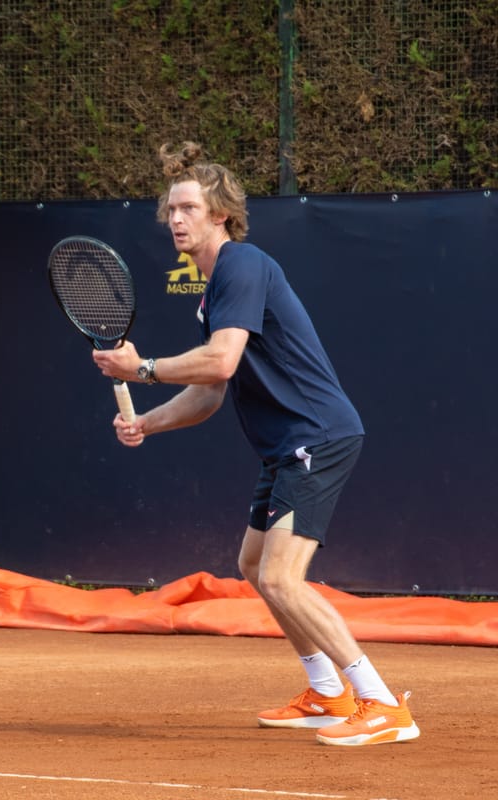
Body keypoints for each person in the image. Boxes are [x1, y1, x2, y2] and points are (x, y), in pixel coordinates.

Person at [92, 141, 419, 747]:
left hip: (316, 435)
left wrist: (141, 369)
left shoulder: (242, 264)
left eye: (188, 207)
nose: (176, 220)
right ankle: (326, 690)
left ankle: (380, 702)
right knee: (252, 567)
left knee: (281, 578)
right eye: (170, 211)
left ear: (222, 215)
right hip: (286, 445)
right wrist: (147, 422)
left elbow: (219, 362)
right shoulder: (210, 294)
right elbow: (210, 394)